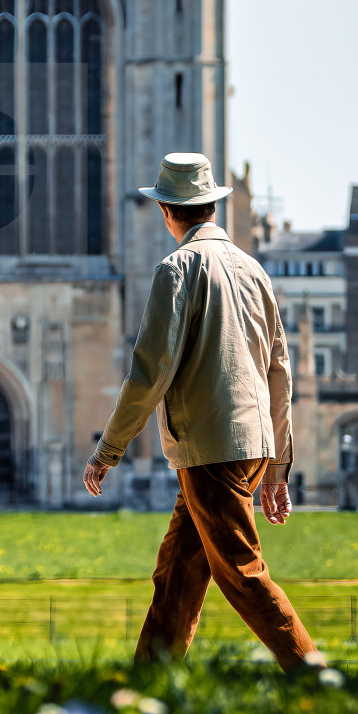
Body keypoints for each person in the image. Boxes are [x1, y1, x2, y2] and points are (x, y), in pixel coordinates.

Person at [83, 152, 317, 673]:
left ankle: (315, 678)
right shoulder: (254, 270)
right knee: (178, 573)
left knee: (242, 573)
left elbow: (151, 371)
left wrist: (108, 449)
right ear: (213, 207)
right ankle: (146, 685)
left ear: (168, 211)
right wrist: (278, 467)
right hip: (250, 447)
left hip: (211, 450)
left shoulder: (178, 268)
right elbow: (279, 372)